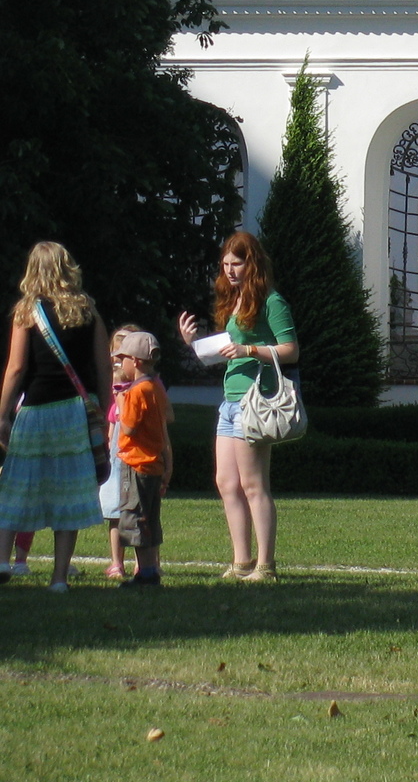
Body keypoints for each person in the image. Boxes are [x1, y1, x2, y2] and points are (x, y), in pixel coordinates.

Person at [178, 232, 297, 584]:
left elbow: (291, 350)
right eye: (226, 264)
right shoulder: (237, 299)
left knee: (253, 483)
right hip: (230, 401)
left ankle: (265, 565)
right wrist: (194, 345)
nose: (230, 271)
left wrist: (250, 351)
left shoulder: (272, 301)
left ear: (252, 263)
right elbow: (226, 353)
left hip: (255, 401)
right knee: (226, 481)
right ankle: (241, 561)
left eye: (237, 263)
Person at [0, 243, 113, 592]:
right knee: (70, 491)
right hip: (75, 412)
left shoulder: (26, 311)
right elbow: (103, 365)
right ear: (68, 268)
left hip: (35, 410)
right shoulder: (88, 310)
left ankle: (3, 559)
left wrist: (3, 412)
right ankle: (60, 578)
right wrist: (104, 411)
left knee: (17, 486)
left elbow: (17, 367)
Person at [109, 331, 171, 588]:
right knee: (149, 517)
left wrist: (121, 403)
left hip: (136, 463)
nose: (119, 364)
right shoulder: (156, 386)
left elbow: (130, 428)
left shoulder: (135, 392)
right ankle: (148, 569)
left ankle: (146, 573)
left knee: (136, 518)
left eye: (121, 359)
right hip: (153, 463)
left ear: (134, 361)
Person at [100, 324, 143, 581]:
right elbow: (113, 424)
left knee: (137, 509)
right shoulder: (116, 385)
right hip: (117, 454)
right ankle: (117, 562)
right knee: (114, 512)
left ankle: (142, 562)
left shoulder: (144, 387)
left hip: (135, 452)